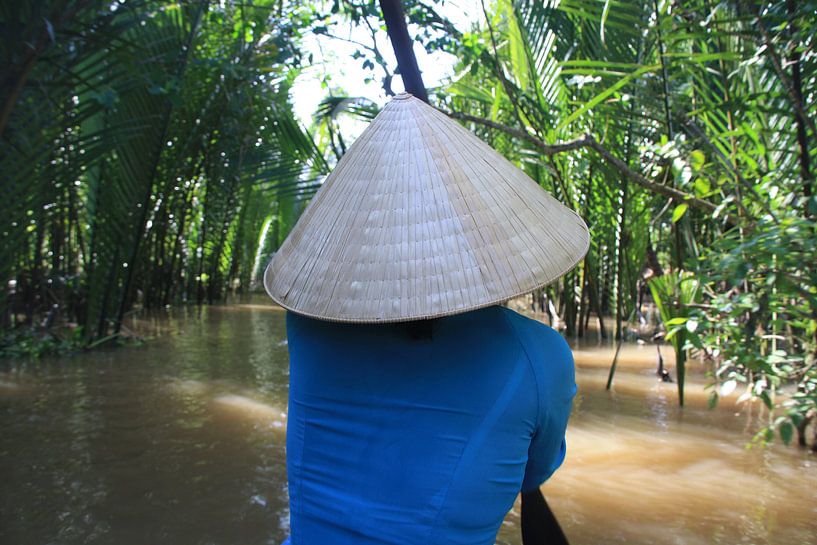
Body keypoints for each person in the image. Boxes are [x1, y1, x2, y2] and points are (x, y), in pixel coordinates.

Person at [265, 93, 589, 545]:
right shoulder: (541, 357)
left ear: (363, 233)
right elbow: (534, 473)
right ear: (486, 236)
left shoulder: (307, 322)